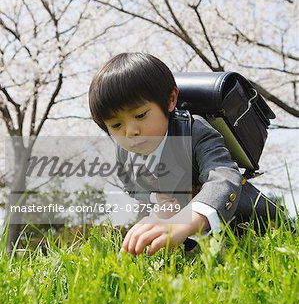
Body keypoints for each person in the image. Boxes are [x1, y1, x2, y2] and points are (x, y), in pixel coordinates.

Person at [89, 52, 280, 256]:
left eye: (140, 115)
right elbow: (131, 185)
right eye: (116, 125)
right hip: (193, 243)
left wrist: (188, 217)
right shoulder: (125, 153)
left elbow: (223, 175)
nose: (130, 132)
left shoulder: (194, 131)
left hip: (250, 225)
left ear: (171, 100)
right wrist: (159, 200)